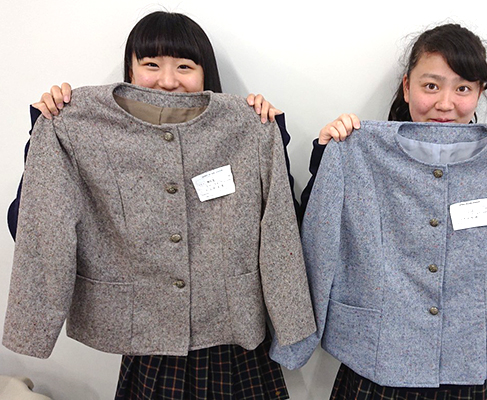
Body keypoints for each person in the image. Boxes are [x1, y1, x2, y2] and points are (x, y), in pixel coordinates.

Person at [6, 11, 298, 400]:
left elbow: (281, 226)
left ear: (205, 74)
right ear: (130, 71)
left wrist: (273, 137)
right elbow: (31, 226)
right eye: (151, 65)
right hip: (146, 337)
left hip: (236, 336)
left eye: (184, 66)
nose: (167, 80)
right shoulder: (81, 130)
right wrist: (45, 136)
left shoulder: (245, 127)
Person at [298, 23, 487, 400]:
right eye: (431, 85)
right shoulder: (357, 152)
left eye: (463, 88)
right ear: (407, 87)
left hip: (467, 358)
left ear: (480, 92)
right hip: (375, 357)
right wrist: (328, 156)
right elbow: (316, 237)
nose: (446, 103)